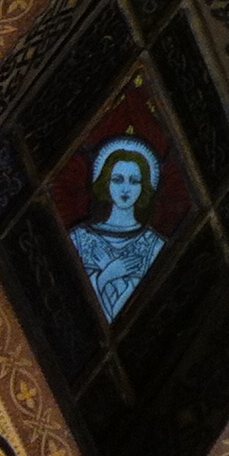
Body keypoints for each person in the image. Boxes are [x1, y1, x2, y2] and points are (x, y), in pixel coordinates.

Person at [69, 136, 165, 321]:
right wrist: (107, 275)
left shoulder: (155, 246)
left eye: (134, 181)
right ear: (106, 183)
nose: (125, 189)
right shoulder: (79, 238)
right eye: (118, 179)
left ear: (144, 186)